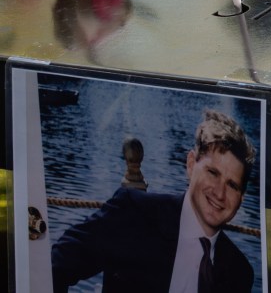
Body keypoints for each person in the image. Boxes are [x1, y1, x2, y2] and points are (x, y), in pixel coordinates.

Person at [51, 109, 257, 293]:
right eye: (212, 172)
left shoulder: (239, 273)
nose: (220, 193)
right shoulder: (135, 215)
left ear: (242, 196)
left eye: (232, 185)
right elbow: (56, 264)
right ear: (191, 164)